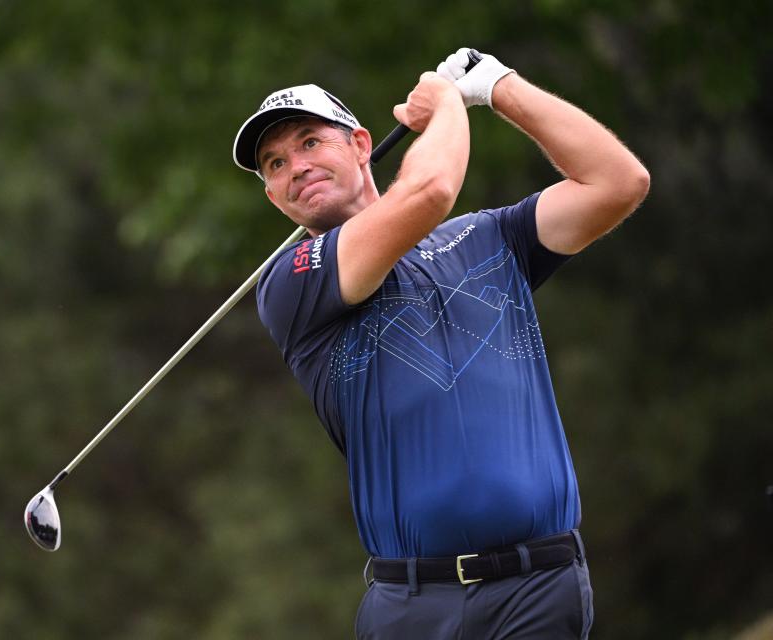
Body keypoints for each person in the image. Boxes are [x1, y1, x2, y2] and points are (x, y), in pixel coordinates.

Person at [232, 48, 649, 640]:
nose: (293, 167)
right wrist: (449, 104)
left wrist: (502, 88)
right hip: (411, 603)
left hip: (540, 586)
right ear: (274, 196)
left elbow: (619, 182)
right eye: (274, 165)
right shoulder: (293, 281)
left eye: (308, 142)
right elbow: (428, 191)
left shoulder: (488, 237)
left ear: (359, 144)